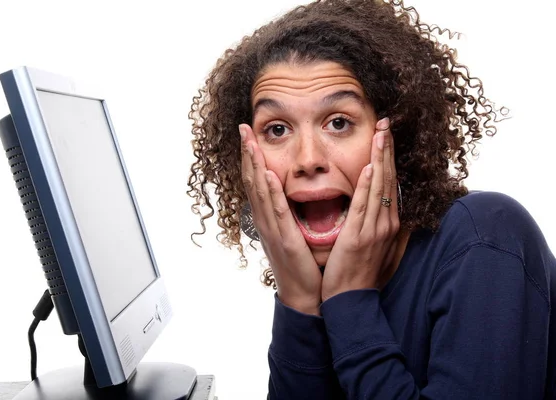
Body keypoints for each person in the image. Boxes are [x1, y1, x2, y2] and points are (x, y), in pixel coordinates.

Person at [186, 0, 556, 398]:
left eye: (339, 123)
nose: (308, 159)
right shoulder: (307, 282)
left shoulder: (487, 235)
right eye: (277, 130)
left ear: (395, 137)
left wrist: (348, 300)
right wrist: (298, 302)